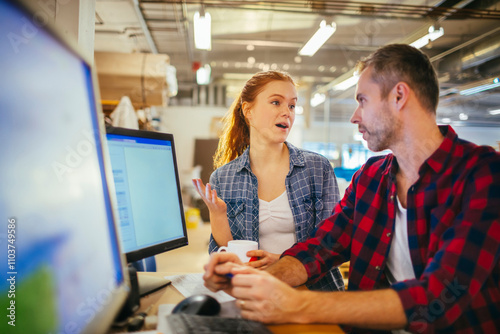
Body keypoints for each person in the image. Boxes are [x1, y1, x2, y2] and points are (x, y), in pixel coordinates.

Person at [203, 44, 500, 333]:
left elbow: (439, 298)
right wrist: (249, 280)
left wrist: (299, 304)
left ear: (399, 96)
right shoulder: (371, 178)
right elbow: (320, 248)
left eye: (363, 100)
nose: (354, 116)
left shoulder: (482, 175)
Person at [193, 70, 344, 291]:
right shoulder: (223, 178)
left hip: (313, 293)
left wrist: (286, 264)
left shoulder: (317, 168)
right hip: (254, 293)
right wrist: (218, 214)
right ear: (248, 110)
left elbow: (333, 243)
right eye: (276, 102)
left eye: (292, 106)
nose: (287, 112)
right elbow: (226, 254)